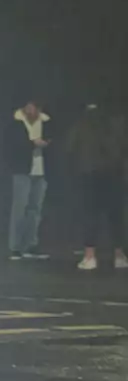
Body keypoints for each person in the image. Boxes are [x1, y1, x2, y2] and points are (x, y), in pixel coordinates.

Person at [65, 104, 128, 270]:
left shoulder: (82, 126)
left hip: (90, 176)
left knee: (90, 216)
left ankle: (90, 256)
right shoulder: (117, 126)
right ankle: (119, 256)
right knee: (116, 217)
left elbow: (70, 148)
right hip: (114, 176)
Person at [8, 101, 52, 260]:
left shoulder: (46, 122)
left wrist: (46, 143)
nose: (30, 110)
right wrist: (32, 144)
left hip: (41, 170)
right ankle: (15, 247)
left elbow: (54, 141)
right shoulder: (16, 122)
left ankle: (31, 245)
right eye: (27, 107)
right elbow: (12, 145)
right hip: (22, 169)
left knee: (35, 209)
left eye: (33, 107)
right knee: (19, 208)